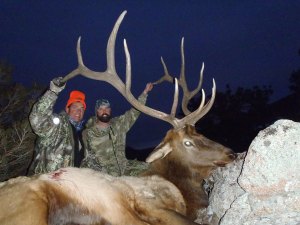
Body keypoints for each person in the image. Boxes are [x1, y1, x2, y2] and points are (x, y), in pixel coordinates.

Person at [81, 83, 153, 176]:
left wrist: (145, 93)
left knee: (151, 170)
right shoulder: (88, 133)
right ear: (96, 112)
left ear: (110, 111)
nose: (104, 111)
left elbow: (134, 112)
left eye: (107, 108)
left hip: (124, 169)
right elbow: (86, 160)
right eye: (101, 109)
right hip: (103, 176)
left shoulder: (119, 125)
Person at [28, 77, 86, 174]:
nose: (78, 111)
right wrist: (53, 91)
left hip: (69, 185)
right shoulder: (57, 125)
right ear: (67, 109)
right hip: (44, 184)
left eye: (82, 108)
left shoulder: (83, 135)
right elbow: (37, 119)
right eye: (75, 107)